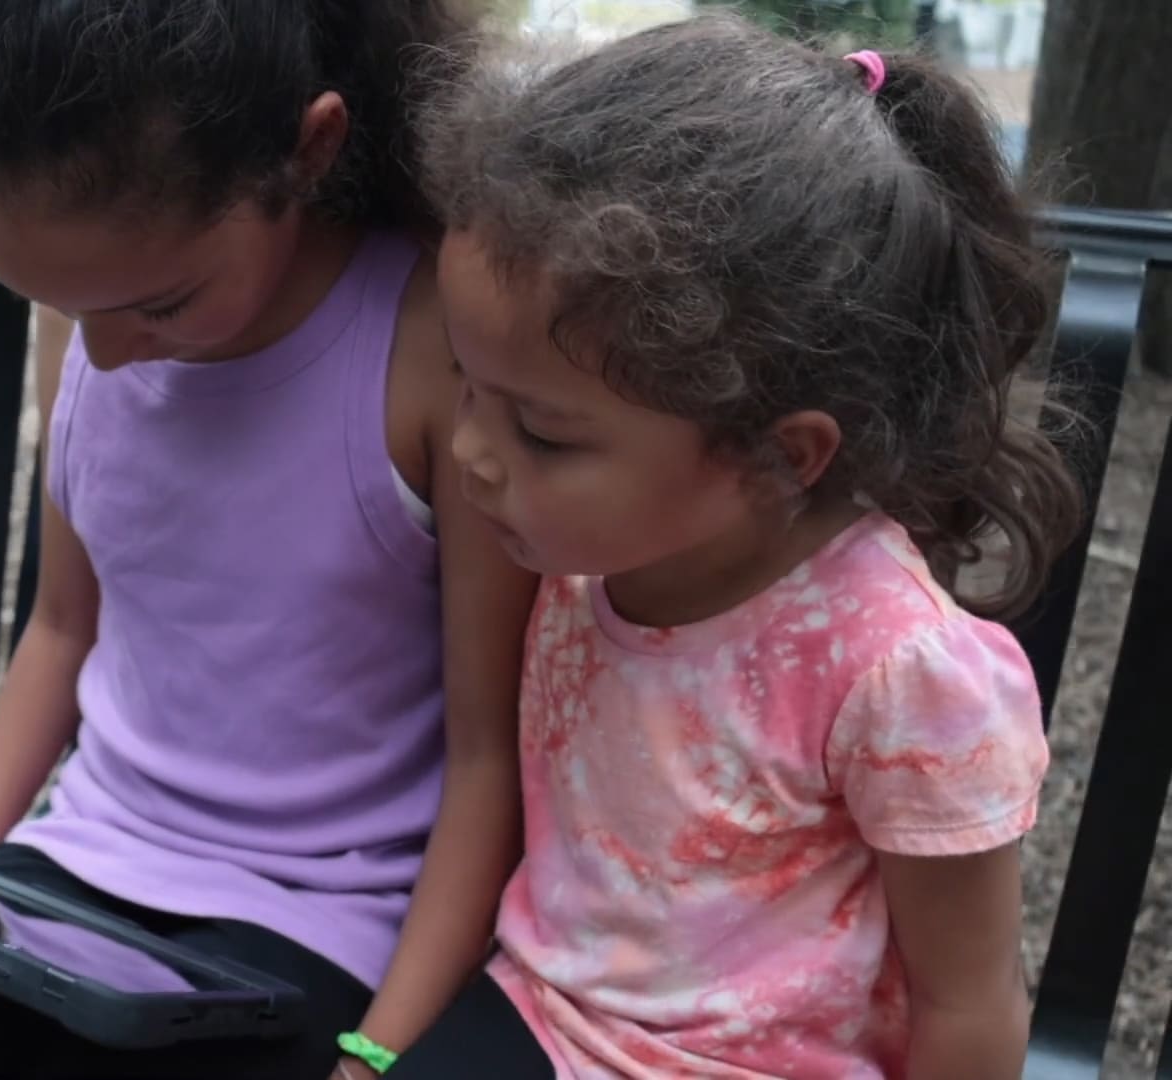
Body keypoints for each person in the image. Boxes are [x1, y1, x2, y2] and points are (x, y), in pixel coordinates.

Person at [0, 1, 535, 1078]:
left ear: (309, 150)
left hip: (321, 924)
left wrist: (375, 1053)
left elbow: (492, 757)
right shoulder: (92, 302)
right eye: (50, 303)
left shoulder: (430, 343)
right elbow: (64, 629)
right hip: (75, 869)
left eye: (162, 304)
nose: (105, 359)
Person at [393, 16, 1078, 1078]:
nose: (473, 453)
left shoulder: (899, 673)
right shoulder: (575, 560)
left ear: (780, 455)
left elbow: (971, 1004)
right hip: (536, 1016)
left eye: (540, 431)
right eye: (466, 386)